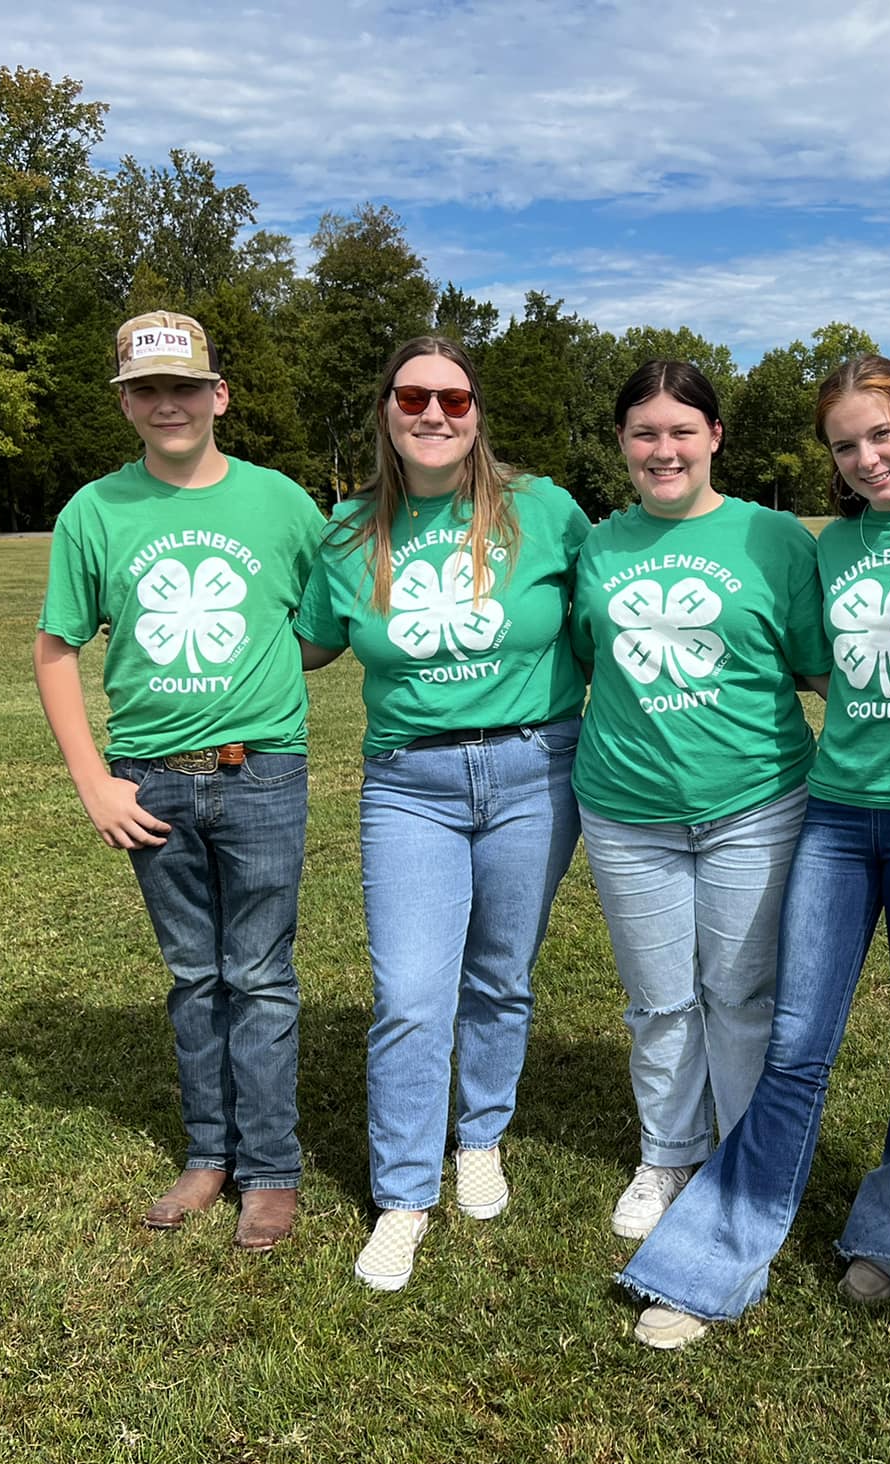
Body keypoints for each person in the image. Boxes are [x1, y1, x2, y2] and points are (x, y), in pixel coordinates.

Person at [617, 356, 890, 1347]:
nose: (867, 458)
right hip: (832, 817)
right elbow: (818, 667)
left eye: (880, 434)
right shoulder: (828, 546)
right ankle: (710, 1258)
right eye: (844, 444)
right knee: (794, 1042)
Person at [295, 336, 590, 1291]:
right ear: (386, 409)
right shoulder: (347, 534)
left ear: (476, 413)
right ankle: (403, 1195)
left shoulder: (544, 511)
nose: (434, 415)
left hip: (535, 768)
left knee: (502, 974)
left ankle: (482, 1138)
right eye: (413, 397)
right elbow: (299, 647)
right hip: (408, 787)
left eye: (453, 400)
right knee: (413, 995)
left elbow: (613, 613)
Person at [34, 310, 323, 1251]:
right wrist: (95, 783)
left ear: (218, 397)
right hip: (148, 783)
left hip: (262, 774)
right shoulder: (96, 511)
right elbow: (55, 650)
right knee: (195, 975)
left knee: (261, 975)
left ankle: (271, 1169)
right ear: (125, 402)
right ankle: (209, 1155)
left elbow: (327, 620)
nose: (169, 405)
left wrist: (269, 669)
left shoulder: (281, 503)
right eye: (148, 390)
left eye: (185, 388)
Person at [571, 361, 833, 1242]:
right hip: (625, 809)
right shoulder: (598, 545)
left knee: (741, 995)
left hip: (755, 803)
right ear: (622, 444)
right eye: (644, 432)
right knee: (657, 1001)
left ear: (715, 437)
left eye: (682, 430)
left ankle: (742, 1156)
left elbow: (815, 664)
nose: (663, 449)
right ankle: (668, 1151)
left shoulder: (775, 539)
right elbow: (581, 656)